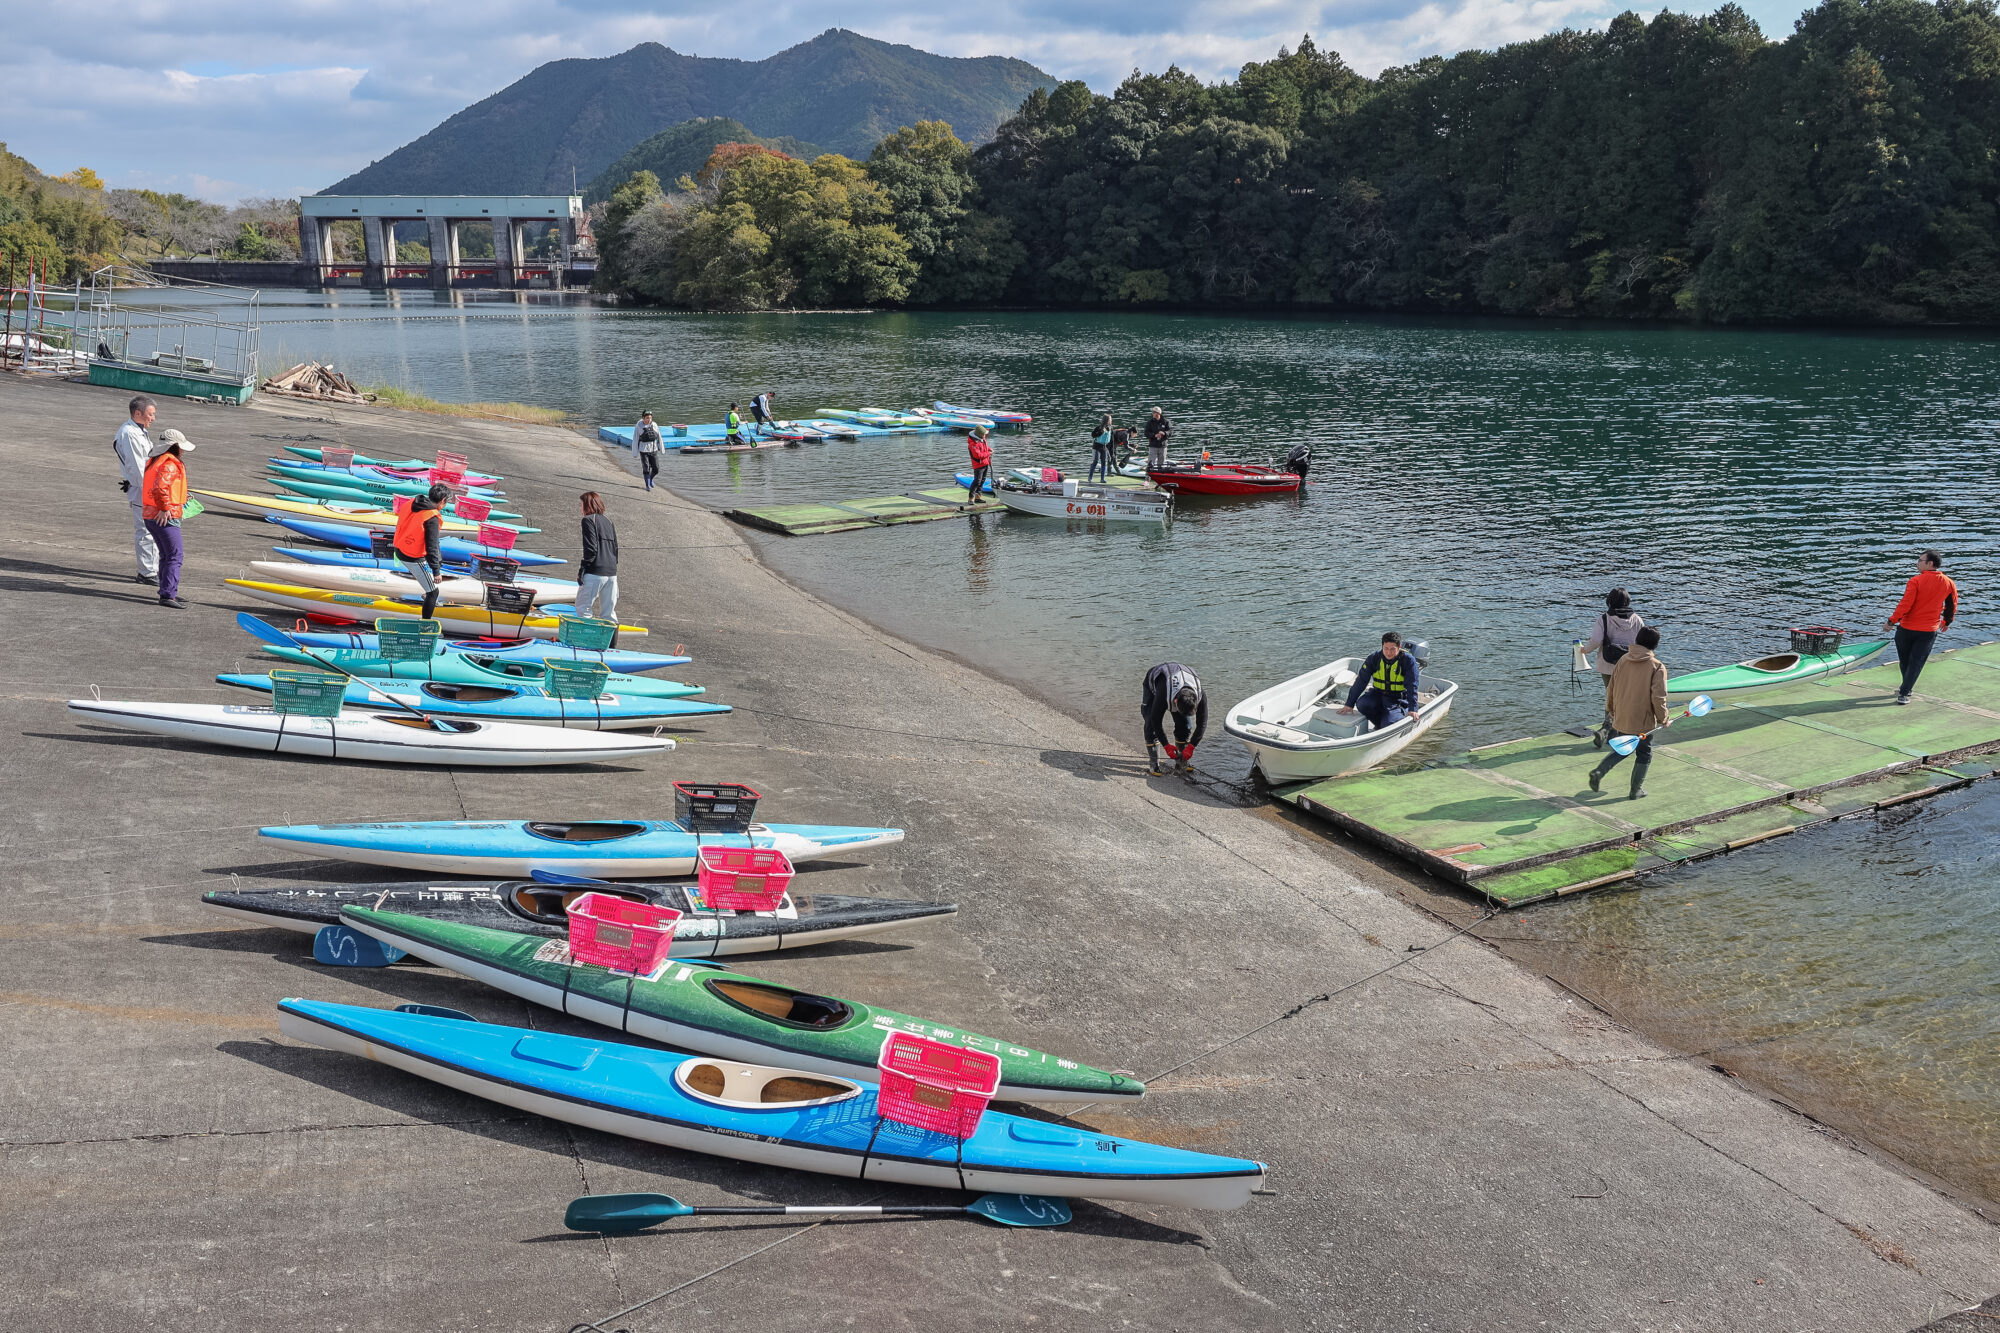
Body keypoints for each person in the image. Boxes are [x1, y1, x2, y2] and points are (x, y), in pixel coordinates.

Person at [1587, 625, 1669, 799]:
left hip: (1622, 714)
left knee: (1624, 747)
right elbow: (1659, 698)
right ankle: (1635, 790)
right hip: (1643, 720)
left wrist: (1611, 709)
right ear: (1655, 645)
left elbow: (1611, 687)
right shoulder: (1657, 667)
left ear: (1637, 640)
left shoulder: (1624, 660)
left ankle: (1600, 771)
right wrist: (1664, 719)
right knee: (1644, 753)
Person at [1883, 549, 1958, 703]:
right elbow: (1952, 604)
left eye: (1920, 560)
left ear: (1930, 563)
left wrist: (1891, 621)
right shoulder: (1949, 583)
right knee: (1916, 662)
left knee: (1905, 661)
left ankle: (1904, 690)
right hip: (1928, 631)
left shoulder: (1915, 581)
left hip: (1906, 629)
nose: (1917, 563)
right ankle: (1905, 691)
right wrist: (1947, 621)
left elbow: (1905, 605)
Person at [139, 428, 197, 609]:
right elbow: (160, 489)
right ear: (175, 447)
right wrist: (165, 509)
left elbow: (162, 488)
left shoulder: (156, 460)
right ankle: (168, 594)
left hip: (150, 515)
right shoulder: (170, 464)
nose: (183, 452)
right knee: (174, 555)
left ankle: (167, 591)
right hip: (164, 516)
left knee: (166, 555)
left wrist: (180, 497)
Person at [1581, 589, 1644, 746]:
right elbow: (1643, 642)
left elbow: (1595, 641)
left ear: (1609, 601)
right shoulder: (1636, 620)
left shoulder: (1604, 619)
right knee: (1623, 698)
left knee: (1611, 698)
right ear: (1628, 601)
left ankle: (1606, 731)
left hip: (1608, 666)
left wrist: (1585, 650)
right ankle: (1612, 733)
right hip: (1629, 665)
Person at [113, 395, 159, 586]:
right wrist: (154, 491)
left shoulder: (138, 431)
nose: (153, 418)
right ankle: (147, 573)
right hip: (143, 490)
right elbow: (137, 468)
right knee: (146, 530)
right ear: (138, 413)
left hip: (146, 488)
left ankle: (152, 568)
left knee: (153, 530)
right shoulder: (129, 434)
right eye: (151, 414)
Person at [1341, 632, 1421, 730]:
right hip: (1378, 694)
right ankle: (1380, 724)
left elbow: (1412, 686)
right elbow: (1361, 681)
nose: (1389, 652)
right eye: (1386, 648)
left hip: (1397, 699)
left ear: (1399, 647)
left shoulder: (1408, 661)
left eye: (1393, 649)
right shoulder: (1374, 658)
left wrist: (1413, 709)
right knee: (1362, 704)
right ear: (1382, 646)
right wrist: (1349, 704)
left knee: (1390, 724)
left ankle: (1396, 715)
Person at [391, 484, 447, 619]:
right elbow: (431, 546)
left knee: (437, 561)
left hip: (399, 548)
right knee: (434, 592)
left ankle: (426, 593)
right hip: (411, 557)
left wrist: (438, 562)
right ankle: (425, 624)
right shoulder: (432, 518)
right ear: (442, 501)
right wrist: (436, 572)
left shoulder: (413, 503)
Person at [1141, 662, 1207, 776]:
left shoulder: (1200, 694)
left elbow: (1202, 723)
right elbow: (1156, 721)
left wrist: (1191, 746)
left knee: (1185, 726)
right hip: (1156, 681)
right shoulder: (1163, 693)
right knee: (1150, 725)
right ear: (1175, 702)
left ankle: (1181, 761)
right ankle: (1154, 764)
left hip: (1180, 683)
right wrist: (1166, 745)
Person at [577, 491, 619, 622]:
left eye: (581, 504)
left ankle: (586, 640)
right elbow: (615, 549)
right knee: (609, 614)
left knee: (583, 609)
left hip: (595, 571)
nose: (580, 508)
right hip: (612, 572)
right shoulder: (608, 521)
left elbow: (591, 549)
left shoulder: (588, 520)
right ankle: (611, 642)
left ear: (587, 505)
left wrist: (582, 570)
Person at [633, 411, 663, 491]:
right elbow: (635, 439)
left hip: (653, 449)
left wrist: (662, 449)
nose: (649, 419)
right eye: (647, 418)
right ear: (643, 418)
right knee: (646, 468)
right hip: (643, 450)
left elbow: (659, 436)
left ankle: (650, 479)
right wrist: (635, 452)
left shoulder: (655, 425)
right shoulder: (639, 426)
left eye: (650, 418)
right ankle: (647, 485)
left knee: (656, 469)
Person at [965, 425, 992, 503]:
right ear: (979, 434)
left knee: (982, 480)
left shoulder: (982, 439)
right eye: (983, 434)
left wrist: (989, 450)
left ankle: (978, 497)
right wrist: (988, 453)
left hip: (985, 463)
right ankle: (971, 498)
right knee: (977, 481)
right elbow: (978, 455)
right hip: (978, 465)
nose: (985, 435)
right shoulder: (973, 444)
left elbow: (985, 447)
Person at [1087, 414, 1114, 483]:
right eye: (1110, 419)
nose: (1111, 420)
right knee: (1095, 461)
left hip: (1104, 447)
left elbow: (1111, 441)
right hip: (1097, 446)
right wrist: (1101, 432)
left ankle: (1102, 479)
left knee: (1104, 462)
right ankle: (1090, 477)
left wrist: (1111, 452)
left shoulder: (1110, 428)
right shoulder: (1099, 428)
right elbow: (1093, 435)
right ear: (1107, 420)